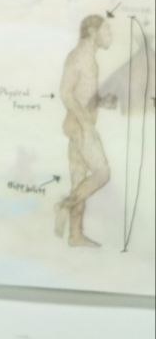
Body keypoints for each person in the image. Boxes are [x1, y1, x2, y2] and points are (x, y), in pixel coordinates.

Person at [54, 14, 117, 247]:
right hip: (80, 128)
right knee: (102, 173)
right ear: (92, 33)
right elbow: (64, 93)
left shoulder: (88, 58)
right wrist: (86, 126)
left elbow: (81, 94)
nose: (110, 36)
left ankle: (75, 235)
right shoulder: (79, 57)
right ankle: (64, 205)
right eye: (107, 31)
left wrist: (100, 102)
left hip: (79, 127)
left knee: (79, 180)